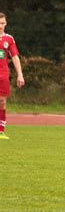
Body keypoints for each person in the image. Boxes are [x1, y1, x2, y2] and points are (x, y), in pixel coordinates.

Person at [0, 12, 25, 140]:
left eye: (2, 23)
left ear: (6, 23)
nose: (0, 26)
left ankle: (1, 131)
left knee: (2, 102)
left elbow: (15, 57)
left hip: (3, 75)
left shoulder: (9, 39)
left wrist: (20, 75)